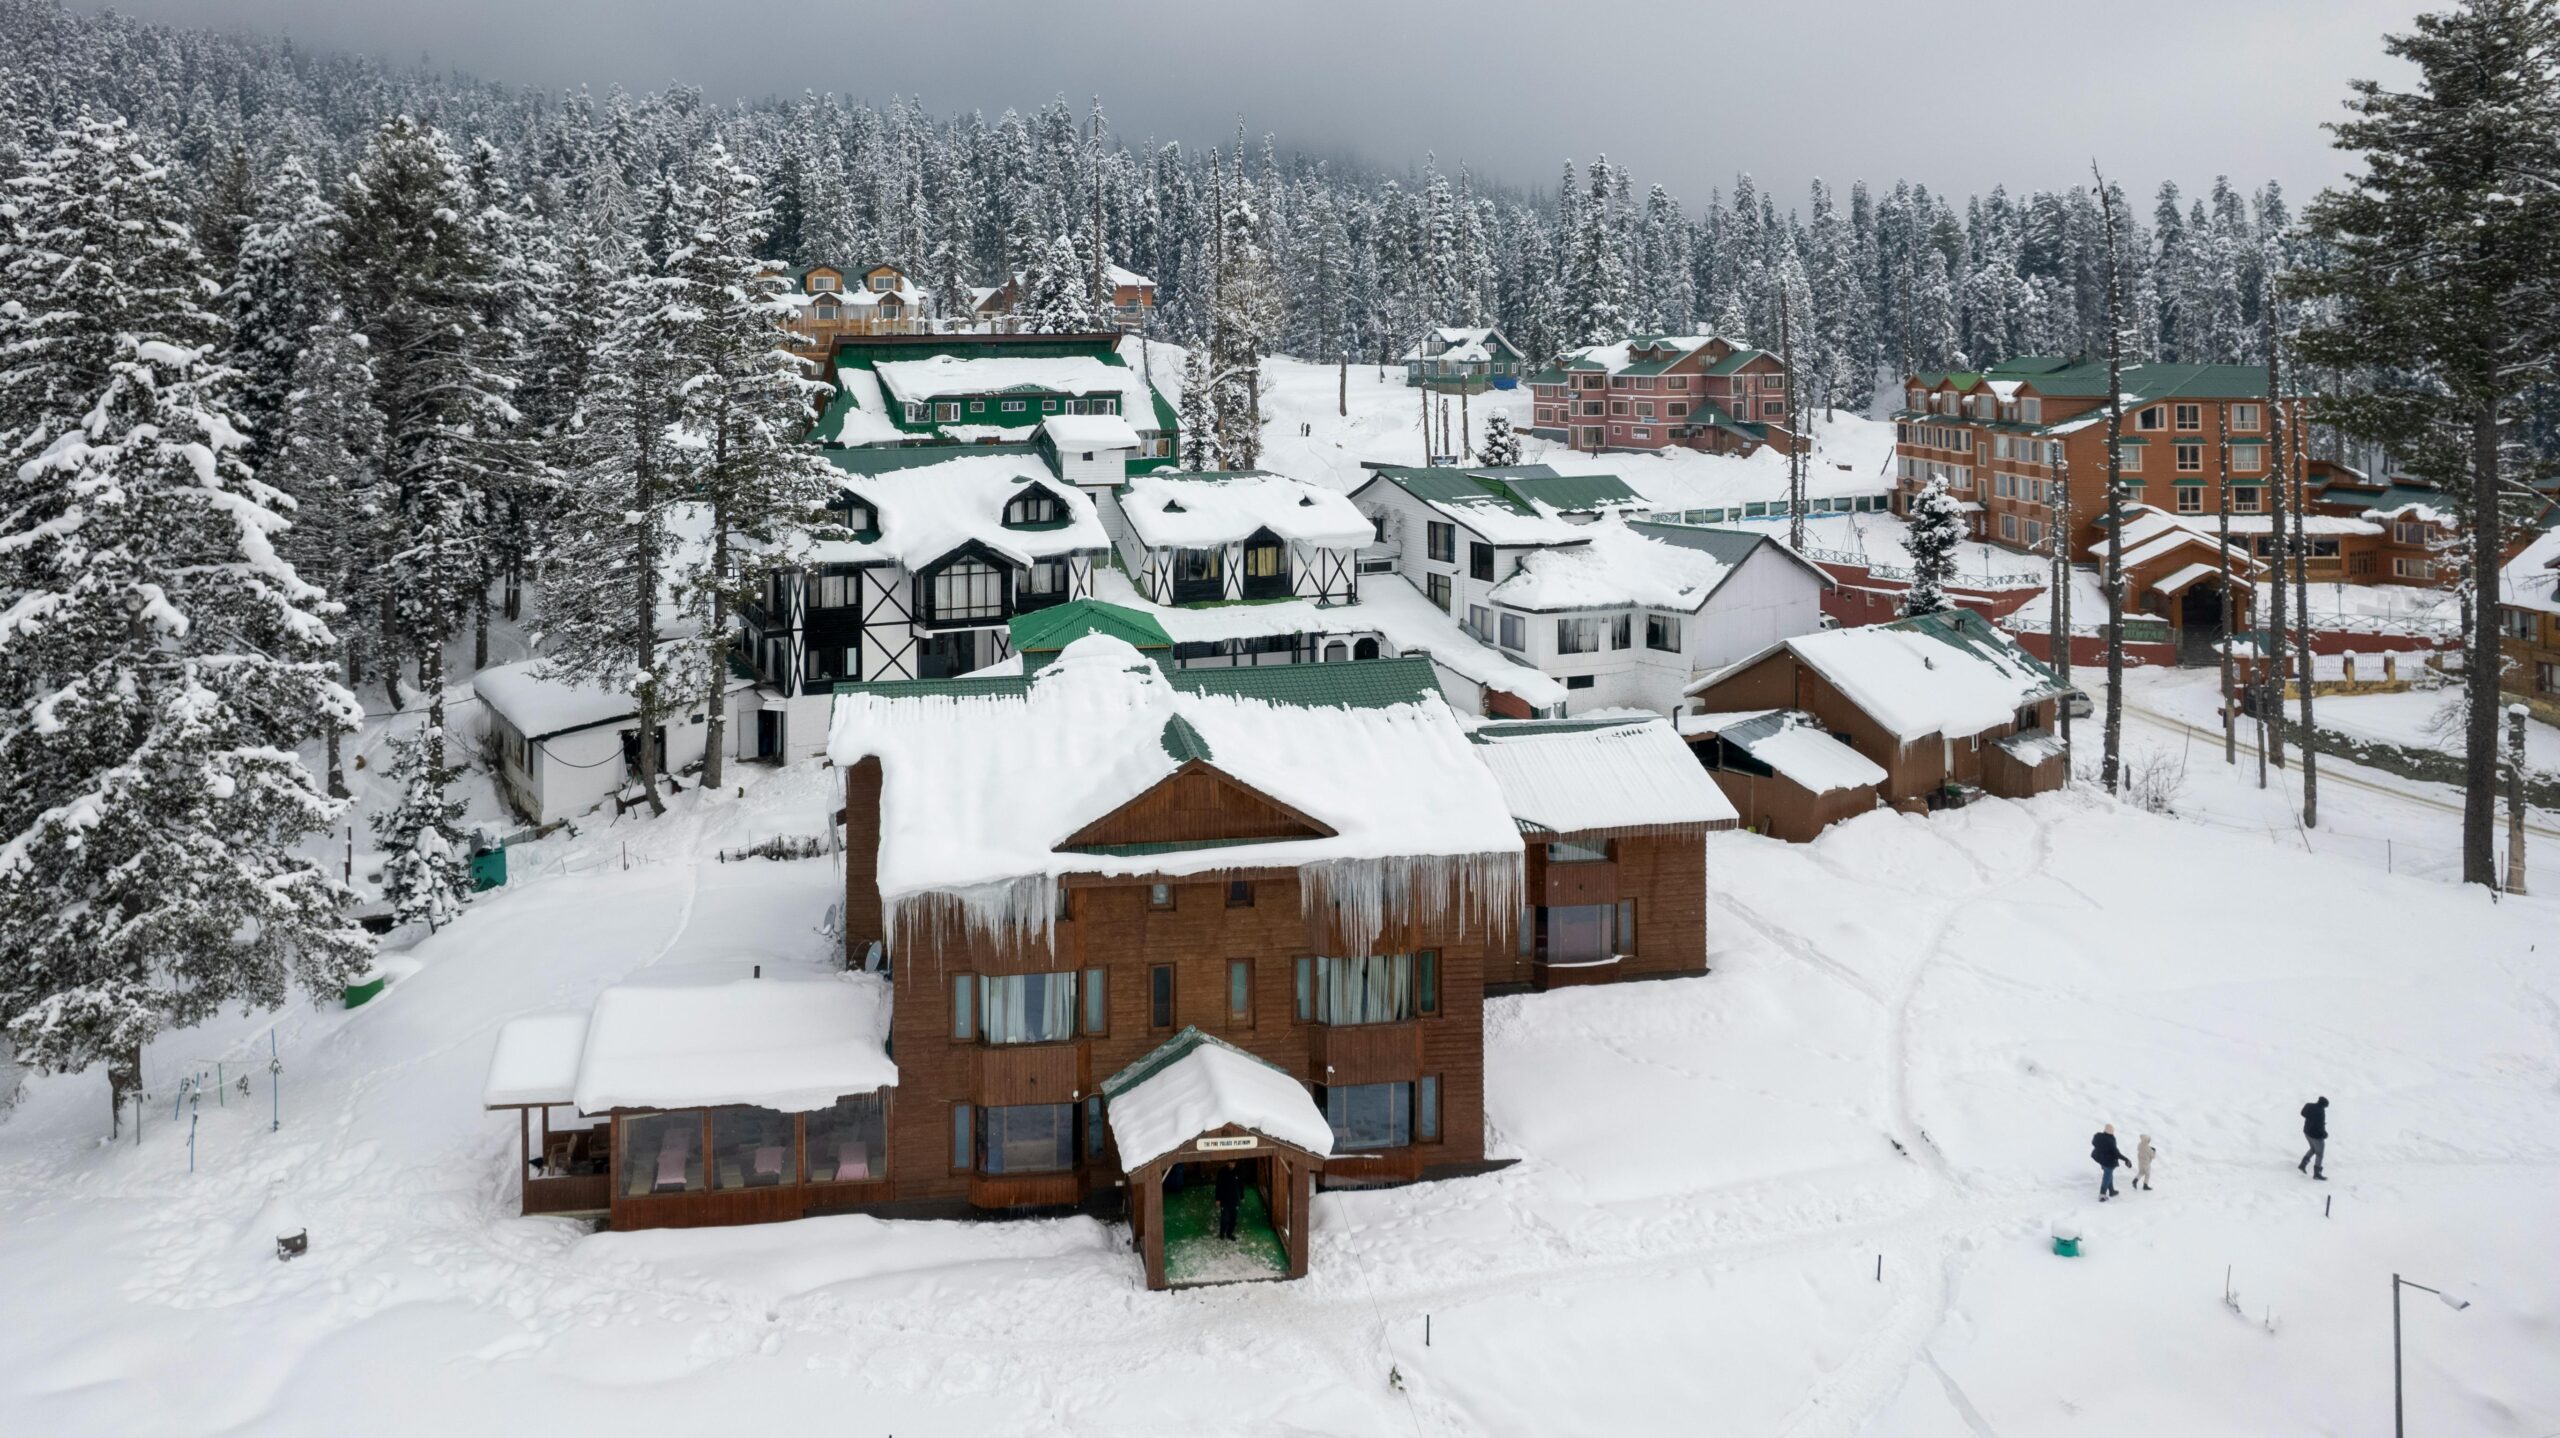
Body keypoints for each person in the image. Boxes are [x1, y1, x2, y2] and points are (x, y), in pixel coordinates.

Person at [2090, 1124, 2128, 1200]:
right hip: (2108, 1162)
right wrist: (2126, 1159)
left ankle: (2111, 1191)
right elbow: (2116, 1153)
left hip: (2101, 1159)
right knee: (2107, 1176)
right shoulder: (2110, 1140)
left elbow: (2093, 1143)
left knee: (2108, 1175)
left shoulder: (2098, 1136)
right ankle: (2102, 1195)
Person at [2299, 1097, 2329, 1180]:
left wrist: (2310, 1119)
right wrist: (2324, 1134)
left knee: (2313, 1148)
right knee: (2319, 1154)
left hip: (2306, 1132)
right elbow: (2320, 1126)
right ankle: (2317, 1173)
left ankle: (2303, 1164)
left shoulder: (2309, 1105)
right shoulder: (2321, 1112)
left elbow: (2302, 1113)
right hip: (2316, 1136)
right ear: (2324, 1105)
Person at [1214, 1163, 1244, 1241]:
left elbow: (1241, 1185)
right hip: (1225, 1200)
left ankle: (1229, 1233)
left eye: (1233, 1163)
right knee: (1225, 1219)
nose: (1231, 1165)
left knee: (1233, 1220)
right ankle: (1222, 1233)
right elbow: (1218, 1186)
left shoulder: (1238, 1171)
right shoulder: (1222, 1172)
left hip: (1235, 1200)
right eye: (1230, 1163)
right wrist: (1218, 1199)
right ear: (1227, 1162)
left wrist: (1242, 1196)